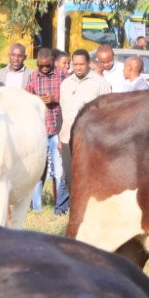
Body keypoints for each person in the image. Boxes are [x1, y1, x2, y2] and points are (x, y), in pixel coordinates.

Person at [58, 50, 110, 215]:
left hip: (91, 140)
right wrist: (60, 137)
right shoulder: (66, 83)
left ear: (88, 63)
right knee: (69, 177)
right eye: (75, 64)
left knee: (89, 176)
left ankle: (91, 213)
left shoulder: (100, 83)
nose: (78, 68)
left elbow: (107, 112)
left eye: (81, 64)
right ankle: (76, 211)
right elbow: (62, 110)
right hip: (67, 138)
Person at [26, 47, 69, 214]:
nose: (44, 69)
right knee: (37, 172)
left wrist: (54, 99)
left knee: (59, 172)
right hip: (39, 131)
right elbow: (27, 100)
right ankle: (37, 208)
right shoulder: (33, 77)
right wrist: (38, 100)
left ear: (52, 60)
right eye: (41, 65)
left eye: (47, 65)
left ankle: (59, 208)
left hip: (57, 130)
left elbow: (70, 99)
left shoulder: (63, 75)